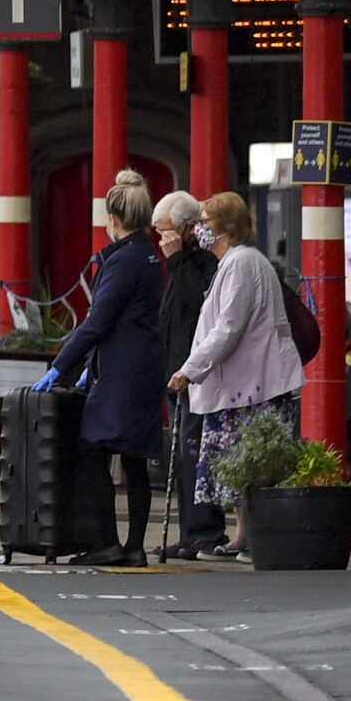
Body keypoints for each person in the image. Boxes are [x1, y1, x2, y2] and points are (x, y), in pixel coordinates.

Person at [37, 170, 166, 566]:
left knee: (92, 448)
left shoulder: (123, 260)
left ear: (114, 218)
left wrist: (60, 367)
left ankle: (107, 542)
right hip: (144, 369)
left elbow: (97, 322)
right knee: (135, 458)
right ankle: (136, 547)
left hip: (120, 375)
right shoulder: (149, 256)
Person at [169, 189, 305, 556]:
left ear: (226, 228)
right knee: (240, 464)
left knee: (252, 463)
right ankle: (244, 536)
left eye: (206, 223)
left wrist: (189, 369)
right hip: (245, 384)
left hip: (255, 385)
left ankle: (255, 538)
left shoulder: (243, 264)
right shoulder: (234, 263)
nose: (200, 230)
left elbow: (228, 327)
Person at [153, 191, 225, 559]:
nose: (161, 238)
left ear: (184, 229)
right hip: (176, 366)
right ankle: (188, 531)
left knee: (196, 450)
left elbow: (200, 302)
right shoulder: (177, 258)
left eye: (165, 230)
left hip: (196, 368)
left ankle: (205, 530)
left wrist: (176, 259)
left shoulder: (201, 258)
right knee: (182, 453)